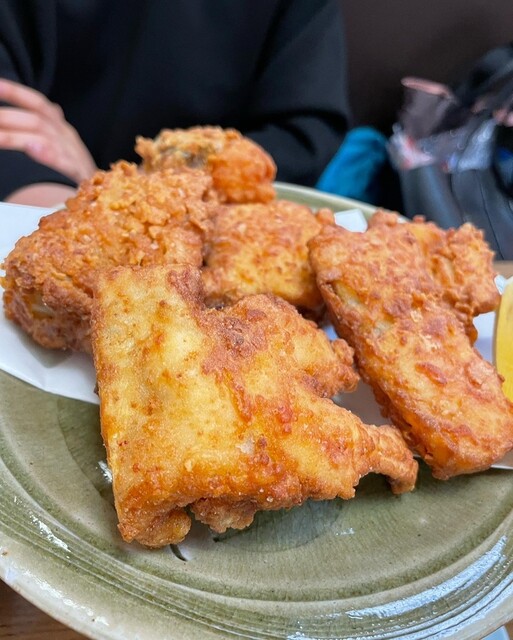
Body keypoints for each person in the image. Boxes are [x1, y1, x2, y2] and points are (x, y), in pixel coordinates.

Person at [0, 0, 350, 206]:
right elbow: (10, 113)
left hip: (215, 223)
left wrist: (126, 189)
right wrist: (62, 201)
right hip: (44, 194)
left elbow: (304, 133)